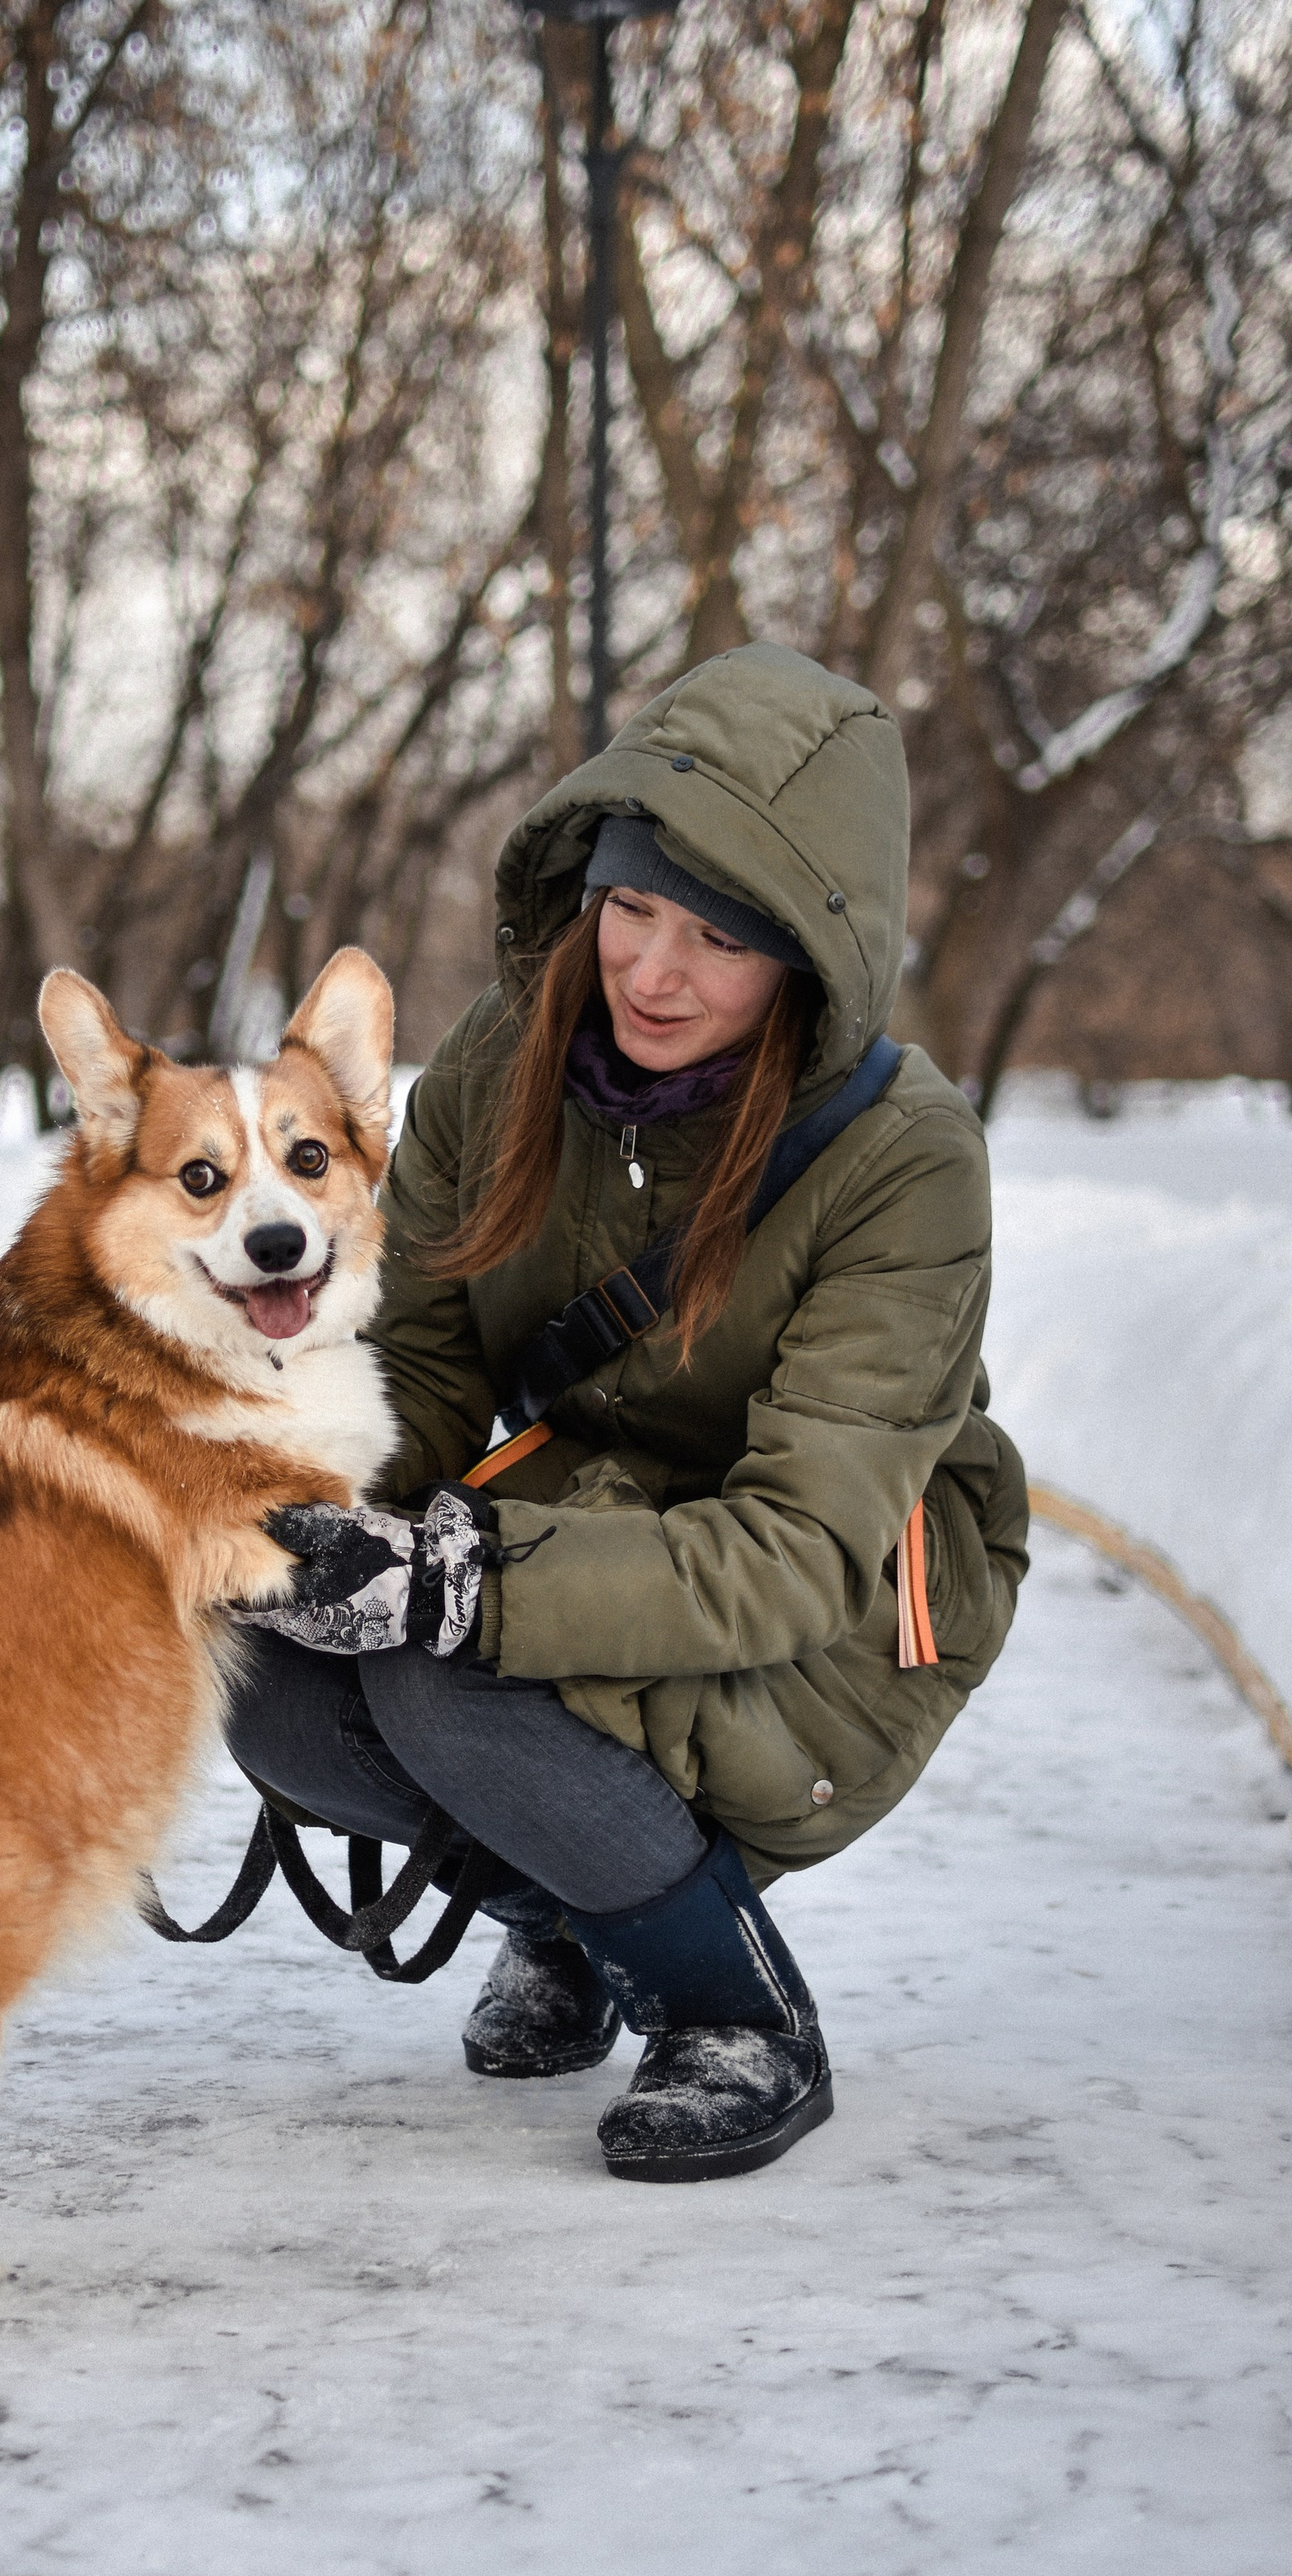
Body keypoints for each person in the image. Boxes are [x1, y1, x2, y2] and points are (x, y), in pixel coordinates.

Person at [226, 639, 1029, 2182]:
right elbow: (433, 1352)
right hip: (592, 1502)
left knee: (448, 1665)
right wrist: (305, 1502)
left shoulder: (904, 1158)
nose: (653, 974)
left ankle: (731, 2013)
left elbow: (800, 1546)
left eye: (718, 938)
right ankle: (576, 1916)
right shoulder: (504, 1056)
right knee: (269, 1656)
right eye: (633, 911)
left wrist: (458, 1585)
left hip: (847, 1598)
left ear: (807, 947)